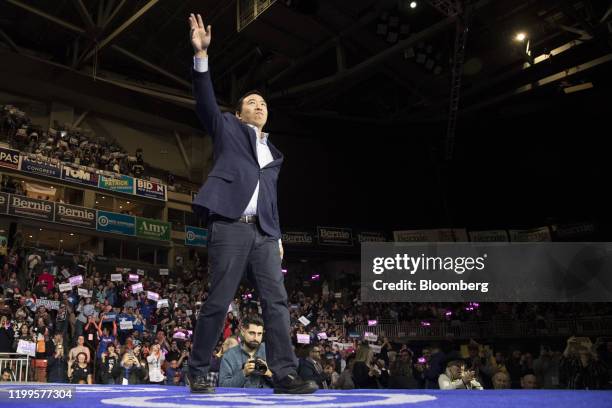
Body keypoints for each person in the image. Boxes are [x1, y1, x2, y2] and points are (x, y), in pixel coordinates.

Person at [186, 13, 316, 395]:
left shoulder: (274, 154)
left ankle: (286, 374)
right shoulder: (226, 128)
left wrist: (276, 236)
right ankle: (197, 370)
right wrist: (201, 57)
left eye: (263, 103)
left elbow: (270, 199)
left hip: (263, 234)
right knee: (219, 300)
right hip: (230, 225)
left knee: (277, 304)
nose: (259, 105)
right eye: (251, 102)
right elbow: (205, 100)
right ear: (240, 112)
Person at [218, 316, 273, 388]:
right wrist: (244, 373)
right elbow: (223, 387)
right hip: (239, 398)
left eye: (259, 334)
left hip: (266, 398)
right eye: (252, 333)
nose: (256, 338)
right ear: (243, 332)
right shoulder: (229, 355)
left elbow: (285, 385)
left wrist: (269, 374)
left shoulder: (270, 351)